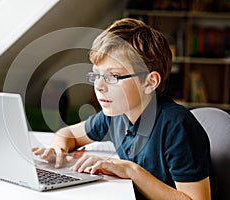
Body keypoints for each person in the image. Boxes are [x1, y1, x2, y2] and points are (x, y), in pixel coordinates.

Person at [32, 18, 213, 199]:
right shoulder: (115, 114)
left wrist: (131, 170)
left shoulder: (177, 126)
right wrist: (58, 151)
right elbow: (68, 134)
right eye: (96, 75)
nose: (99, 86)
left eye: (113, 76)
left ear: (150, 82)